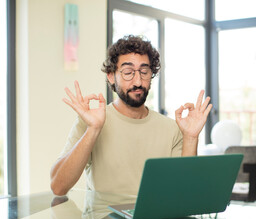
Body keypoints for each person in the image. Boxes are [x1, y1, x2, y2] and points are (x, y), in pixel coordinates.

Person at [50, 35, 212, 196]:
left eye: (144, 71)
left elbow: (184, 192)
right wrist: (93, 129)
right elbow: (58, 187)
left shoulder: (172, 128)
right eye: (128, 72)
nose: (138, 82)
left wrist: (191, 137)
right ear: (111, 76)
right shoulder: (90, 122)